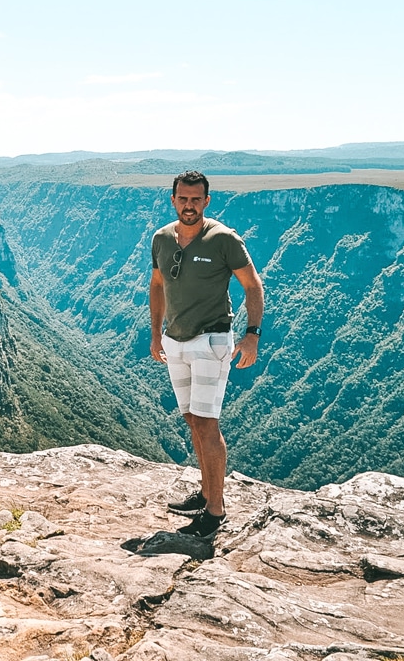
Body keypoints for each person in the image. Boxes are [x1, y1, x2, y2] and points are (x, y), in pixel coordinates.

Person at [149, 170, 264, 539]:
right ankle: (206, 492)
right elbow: (157, 285)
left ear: (207, 201)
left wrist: (251, 337)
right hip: (175, 341)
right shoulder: (162, 239)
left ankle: (215, 511)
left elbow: (253, 285)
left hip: (211, 341)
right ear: (173, 199)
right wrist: (156, 335)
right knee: (192, 420)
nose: (189, 205)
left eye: (196, 199)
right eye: (183, 199)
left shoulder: (223, 239)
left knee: (206, 422)